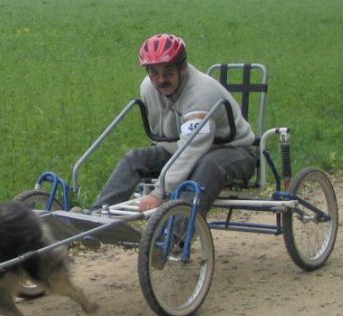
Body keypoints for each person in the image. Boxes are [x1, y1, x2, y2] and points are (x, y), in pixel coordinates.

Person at [91, 33, 256, 215]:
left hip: (233, 151)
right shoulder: (147, 88)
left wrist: (159, 193)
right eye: (154, 72)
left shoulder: (201, 94)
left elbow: (193, 149)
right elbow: (163, 139)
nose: (161, 80)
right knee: (134, 158)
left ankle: (178, 230)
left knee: (207, 167)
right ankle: (97, 217)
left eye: (168, 72)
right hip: (179, 148)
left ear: (183, 68)